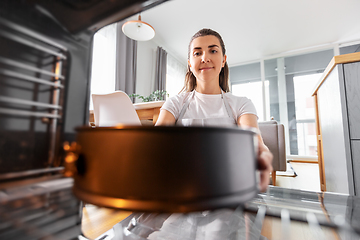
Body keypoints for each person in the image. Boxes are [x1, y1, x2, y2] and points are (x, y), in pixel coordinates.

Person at [156, 28, 273, 192]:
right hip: (183, 189)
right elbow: (154, 145)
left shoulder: (242, 104)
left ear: (223, 60)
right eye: (197, 53)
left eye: (213, 51)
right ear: (190, 64)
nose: (205, 58)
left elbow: (255, 143)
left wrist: (261, 155)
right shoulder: (175, 103)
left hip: (228, 188)